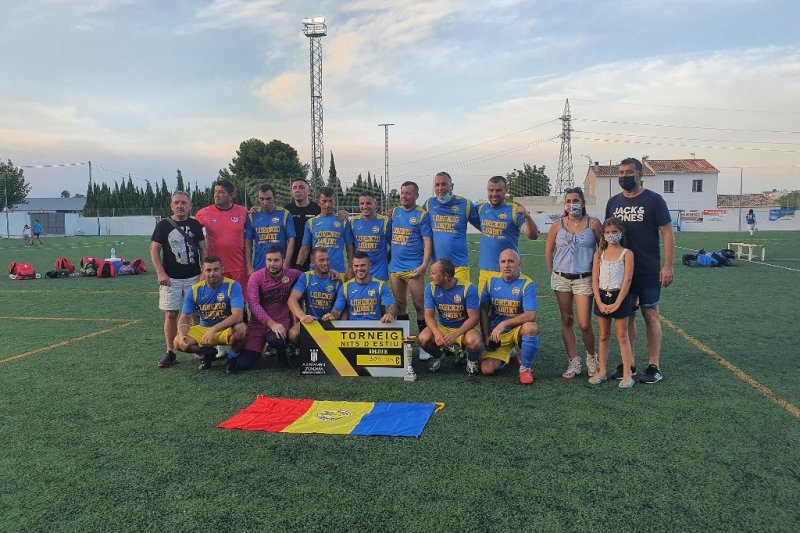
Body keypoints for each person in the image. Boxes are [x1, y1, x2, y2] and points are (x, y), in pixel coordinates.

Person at [605, 157, 674, 384]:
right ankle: (630, 363)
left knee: (650, 314)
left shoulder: (654, 200)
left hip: (647, 269)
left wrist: (667, 265)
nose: (624, 175)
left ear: (640, 175)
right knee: (627, 316)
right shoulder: (613, 202)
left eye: (629, 172)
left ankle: (654, 366)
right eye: (621, 172)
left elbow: (666, 233)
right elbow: (608, 235)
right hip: (620, 272)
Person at [544, 186, 601, 379]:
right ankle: (573, 361)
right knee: (566, 320)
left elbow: (602, 251)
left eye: (575, 201)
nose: (572, 204)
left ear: (583, 202)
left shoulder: (593, 223)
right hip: (561, 278)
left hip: (584, 279)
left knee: (584, 323)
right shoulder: (557, 224)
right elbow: (548, 250)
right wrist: (554, 272)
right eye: (568, 201)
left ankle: (592, 358)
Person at [150, 191, 208, 368]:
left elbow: (203, 249)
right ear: (171, 205)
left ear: (190, 205)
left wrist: (202, 272)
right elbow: (154, 249)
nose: (180, 206)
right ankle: (170, 351)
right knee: (171, 314)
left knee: (196, 314)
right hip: (171, 278)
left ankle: (197, 347)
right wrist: (161, 273)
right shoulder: (163, 226)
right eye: (176, 203)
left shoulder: (195, 225)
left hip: (193, 276)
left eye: (184, 203)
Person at [173, 256, 247, 373]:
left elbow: (238, 316)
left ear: (222, 269)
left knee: (241, 328)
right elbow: (183, 319)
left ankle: (232, 358)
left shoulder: (233, 285)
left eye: (216, 269)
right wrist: (182, 336)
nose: (212, 273)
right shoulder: (195, 290)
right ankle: (207, 352)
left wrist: (213, 330)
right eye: (208, 270)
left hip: (225, 330)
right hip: (204, 329)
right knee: (177, 342)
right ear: (202, 271)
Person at [480, 250, 540, 384]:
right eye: (503, 262)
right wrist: (485, 336)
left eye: (511, 261)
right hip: (497, 335)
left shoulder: (527, 284)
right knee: (487, 370)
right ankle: (510, 355)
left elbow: (531, 315)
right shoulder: (491, 282)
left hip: (515, 331)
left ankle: (525, 369)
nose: (507, 265)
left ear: (519, 264)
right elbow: (483, 311)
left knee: (531, 328)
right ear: (499, 265)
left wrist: (503, 324)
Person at [389, 181, 433, 359]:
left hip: (414, 268)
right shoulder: (395, 212)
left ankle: (424, 344)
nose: (404, 196)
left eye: (408, 193)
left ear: (416, 195)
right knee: (400, 306)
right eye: (402, 193)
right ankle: (405, 344)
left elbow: (428, 242)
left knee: (419, 305)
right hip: (395, 268)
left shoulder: (422, 215)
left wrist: (423, 266)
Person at [238, 246, 302, 370]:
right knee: (243, 363)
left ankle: (283, 353)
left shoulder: (292, 274)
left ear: (283, 260)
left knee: (275, 339)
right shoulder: (256, 277)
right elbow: (254, 305)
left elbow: (311, 276)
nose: (272, 264)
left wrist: (330, 271)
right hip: (259, 325)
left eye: (276, 260)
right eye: (269, 260)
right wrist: (271, 324)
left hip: (281, 321)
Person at [591, 217, 635, 389]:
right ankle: (602, 371)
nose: (611, 235)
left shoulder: (627, 253)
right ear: (603, 235)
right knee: (603, 335)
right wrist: (599, 301)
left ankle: (627, 374)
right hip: (602, 296)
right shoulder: (599, 254)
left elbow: (628, 279)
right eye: (607, 232)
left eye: (614, 232)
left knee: (622, 336)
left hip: (620, 297)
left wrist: (618, 303)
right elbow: (594, 279)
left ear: (621, 233)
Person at [477, 175, 539, 295]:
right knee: (482, 311)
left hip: (507, 271)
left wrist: (526, 216)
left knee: (507, 310)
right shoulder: (481, 209)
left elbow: (533, 235)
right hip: (485, 271)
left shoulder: (514, 210)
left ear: (506, 190)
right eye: (491, 190)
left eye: (498, 190)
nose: (494, 193)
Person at [419, 259, 483, 375]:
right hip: (443, 327)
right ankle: (440, 356)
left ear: (445, 276)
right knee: (423, 339)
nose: (430, 276)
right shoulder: (431, 287)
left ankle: (471, 360)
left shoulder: (468, 288)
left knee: (475, 342)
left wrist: (456, 334)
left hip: (464, 329)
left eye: (433, 273)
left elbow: (474, 318)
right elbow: (428, 316)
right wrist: (437, 333)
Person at [195, 179, 252, 294]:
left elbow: (249, 239)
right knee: (216, 304)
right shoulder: (203, 213)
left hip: (238, 268)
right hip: (214, 269)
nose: (216, 194)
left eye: (221, 192)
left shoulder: (242, 212)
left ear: (231, 195)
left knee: (239, 304)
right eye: (215, 191)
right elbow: (192, 234)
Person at [424, 172, 480, 283]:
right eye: (437, 185)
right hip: (437, 267)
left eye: (444, 184)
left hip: (459, 266)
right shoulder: (429, 203)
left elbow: (483, 226)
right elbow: (414, 217)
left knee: (460, 299)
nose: (440, 188)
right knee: (439, 300)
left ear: (452, 186)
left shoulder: (465, 204)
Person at [287, 247, 343, 346]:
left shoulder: (336, 280)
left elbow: (341, 304)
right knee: (293, 334)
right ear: (313, 262)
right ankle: (299, 351)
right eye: (321, 260)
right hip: (312, 321)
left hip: (331, 321)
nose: (325, 263)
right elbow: (292, 300)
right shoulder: (306, 277)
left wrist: (333, 315)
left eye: (327, 259)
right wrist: (302, 316)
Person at [296, 187, 353, 278]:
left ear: (335, 202)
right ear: (318, 202)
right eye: (324, 201)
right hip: (316, 272)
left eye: (330, 201)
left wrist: (350, 269)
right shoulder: (311, 222)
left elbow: (349, 247)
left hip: (338, 271)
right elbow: (305, 248)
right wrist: (297, 269)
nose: (327, 205)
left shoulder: (344, 221)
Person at [324, 252, 398, 322]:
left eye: (363, 265)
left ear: (369, 265)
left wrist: (390, 314)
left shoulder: (380, 285)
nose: (359, 269)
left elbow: (392, 305)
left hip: (375, 329)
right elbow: (337, 311)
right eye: (356, 266)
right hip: (354, 330)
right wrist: (332, 315)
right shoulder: (345, 287)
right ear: (352, 267)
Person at [246, 184, 296, 271]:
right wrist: (249, 267)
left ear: (274, 198)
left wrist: (286, 263)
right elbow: (248, 243)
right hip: (259, 266)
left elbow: (291, 240)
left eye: (268, 198)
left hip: (280, 266)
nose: (265, 202)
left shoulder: (285, 214)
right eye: (261, 199)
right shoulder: (252, 216)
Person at [347, 192, 391, 281]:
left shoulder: (385, 222)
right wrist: (351, 267)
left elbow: (394, 245)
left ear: (375, 204)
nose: (365, 206)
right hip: (359, 271)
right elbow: (350, 246)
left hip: (379, 271)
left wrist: (386, 260)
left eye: (368, 203)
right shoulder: (353, 222)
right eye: (362, 204)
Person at [285, 178, 321, 271]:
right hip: (292, 255)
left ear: (309, 191)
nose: (297, 190)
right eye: (294, 188)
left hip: (313, 256)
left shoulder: (317, 209)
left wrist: (343, 212)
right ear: (291, 192)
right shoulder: (286, 210)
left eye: (301, 187)